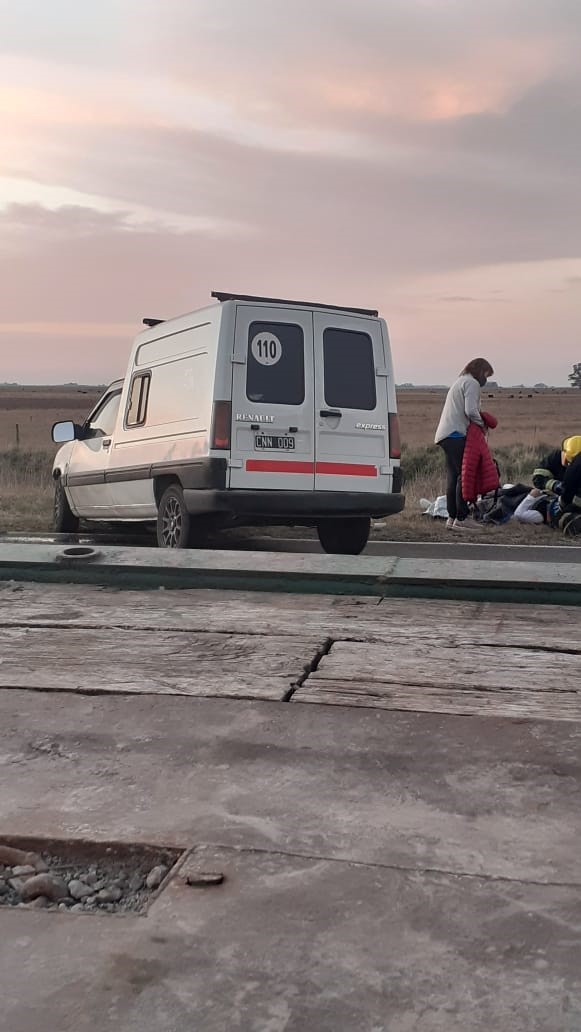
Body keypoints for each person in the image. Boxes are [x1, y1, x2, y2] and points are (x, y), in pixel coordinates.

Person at [434, 357, 494, 530]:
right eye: (486, 374)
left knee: (454, 477)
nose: (485, 379)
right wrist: (481, 424)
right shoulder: (472, 383)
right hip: (455, 434)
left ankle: (452, 517)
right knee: (465, 475)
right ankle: (462, 517)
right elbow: (471, 410)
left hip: (445, 435)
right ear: (480, 371)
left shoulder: (460, 381)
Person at [515, 437, 581, 527]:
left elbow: (519, 514)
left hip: (559, 503)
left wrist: (531, 497)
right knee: (510, 488)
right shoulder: (555, 458)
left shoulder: (540, 515)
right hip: (547, 496)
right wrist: (555, 485)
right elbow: (538, 478)